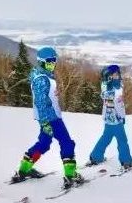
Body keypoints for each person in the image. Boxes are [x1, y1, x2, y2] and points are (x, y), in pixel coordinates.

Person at [11, 46, 84, 189]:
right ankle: (70, 175)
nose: (52, 64)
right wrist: (46, 121)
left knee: (44, 143)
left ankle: (24, 169)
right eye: (49, 61)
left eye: (54, 61)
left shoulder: (44, 75)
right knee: (66, 142)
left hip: (48, 117)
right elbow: (40, 101)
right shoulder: (42, 79)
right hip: (51, 118)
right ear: (41, 62)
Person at [87, 65, 132, 169]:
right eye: (115, 74)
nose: (117, 76)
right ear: (110, 76)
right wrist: (122, 117)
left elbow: (107, 101)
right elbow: (118, 105)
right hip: (116, 120)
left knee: (106, 138)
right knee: (122, 140)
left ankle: (96, 156)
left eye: (118, 74)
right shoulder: (116, 88)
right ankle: (126, 161)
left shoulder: (104, 85)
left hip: (108, 118)